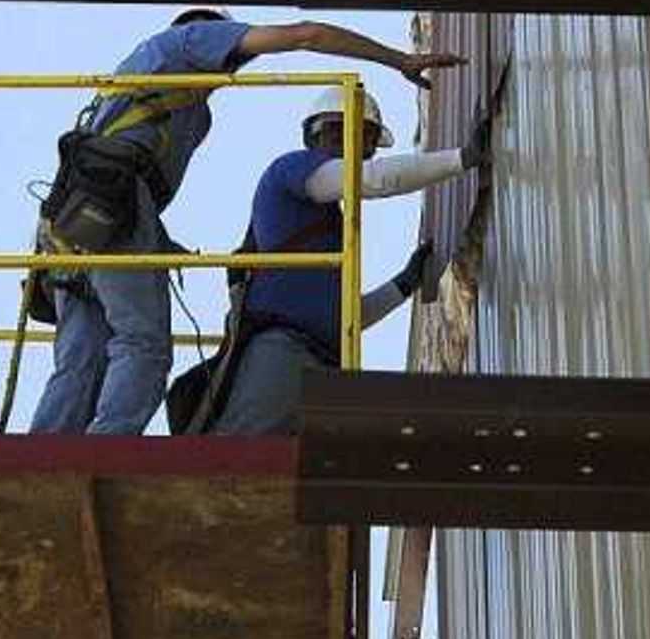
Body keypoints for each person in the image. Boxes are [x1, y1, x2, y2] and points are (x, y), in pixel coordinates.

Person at [27, 10, 456, 436]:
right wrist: (398, 60)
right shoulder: (192, 41)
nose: (239, 61)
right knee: (144, 346)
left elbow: (341, 315)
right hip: (114, 202)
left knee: (81, 358)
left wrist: (159, 246)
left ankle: (40, 459)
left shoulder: (162, 93)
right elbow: (307, 34)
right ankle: (107, 452)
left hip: (71, 213)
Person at [194, 91, 469, 437]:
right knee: (239, 458)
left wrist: (403, 284)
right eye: (340, 132)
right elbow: (374, 179)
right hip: (280, 353)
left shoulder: (331, 236)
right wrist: (461, 159)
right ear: (314, 137)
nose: (351, 145)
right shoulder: (290, 170)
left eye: (363, 139)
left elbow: (347, 317)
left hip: (321, 365)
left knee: (290, 474)